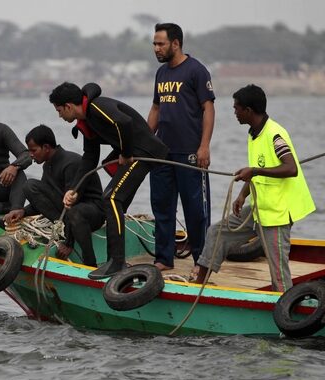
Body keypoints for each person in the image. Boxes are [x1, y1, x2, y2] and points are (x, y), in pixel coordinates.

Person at [194, 85, 315, 291]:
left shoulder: (275, 135)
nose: (234, 113)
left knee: (277, 268)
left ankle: (286, 308)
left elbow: (291, 168)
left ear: (248, 111)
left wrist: (255, 172)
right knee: (217, 231)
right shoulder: (254, 133)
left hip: (278, 213)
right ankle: (198, 284)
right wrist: (242, 195)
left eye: (236, 109)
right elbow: (256, 169)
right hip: (260, 207)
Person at [49, 82, 169, 279]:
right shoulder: (86, 121)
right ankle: (114, 261)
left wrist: (127, 153)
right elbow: (89, 157)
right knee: (115, 202)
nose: (60, 115)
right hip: (135, 153)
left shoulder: (97, 107)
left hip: (144, 152)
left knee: (110, 198)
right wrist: (74, 189)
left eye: (59, 110)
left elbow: (124, 123)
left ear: (69, 106)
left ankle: (116, 261)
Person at [147, 23, 216, 274]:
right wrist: (145, 141)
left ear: (175, 44)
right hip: (163, 153)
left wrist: (204, 146)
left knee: (196, 211)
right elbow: (156, 109)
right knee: (162, 207)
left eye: (160, 43)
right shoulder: (161, 74)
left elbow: (208, 108)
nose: (156, 48)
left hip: (190, 153)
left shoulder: (196, 71)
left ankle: (202, 261)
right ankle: (164, 258)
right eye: (154, 44)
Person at [2, 124, 105, 267]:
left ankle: (90, 263)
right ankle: (64, 227)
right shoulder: (48, 165)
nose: (31, 155)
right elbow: (45, 198)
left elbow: (71, 203)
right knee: (30, 186)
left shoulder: (70, 163)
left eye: (33, 150)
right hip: (71, 213)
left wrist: (68, 243)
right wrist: (23, 211)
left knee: (73, 210)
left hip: (91, 212)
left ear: (46, 147)